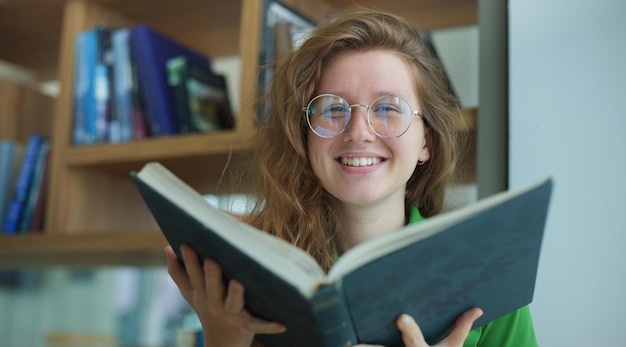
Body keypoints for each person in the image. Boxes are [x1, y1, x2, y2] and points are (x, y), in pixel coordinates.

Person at [164, 8, 538, 347]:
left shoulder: (488, 275)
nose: (358, 131)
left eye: (388, 108)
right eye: (332, 109)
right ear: (305, 138)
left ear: (427, 140)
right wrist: (222, 339)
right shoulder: (251, 281)